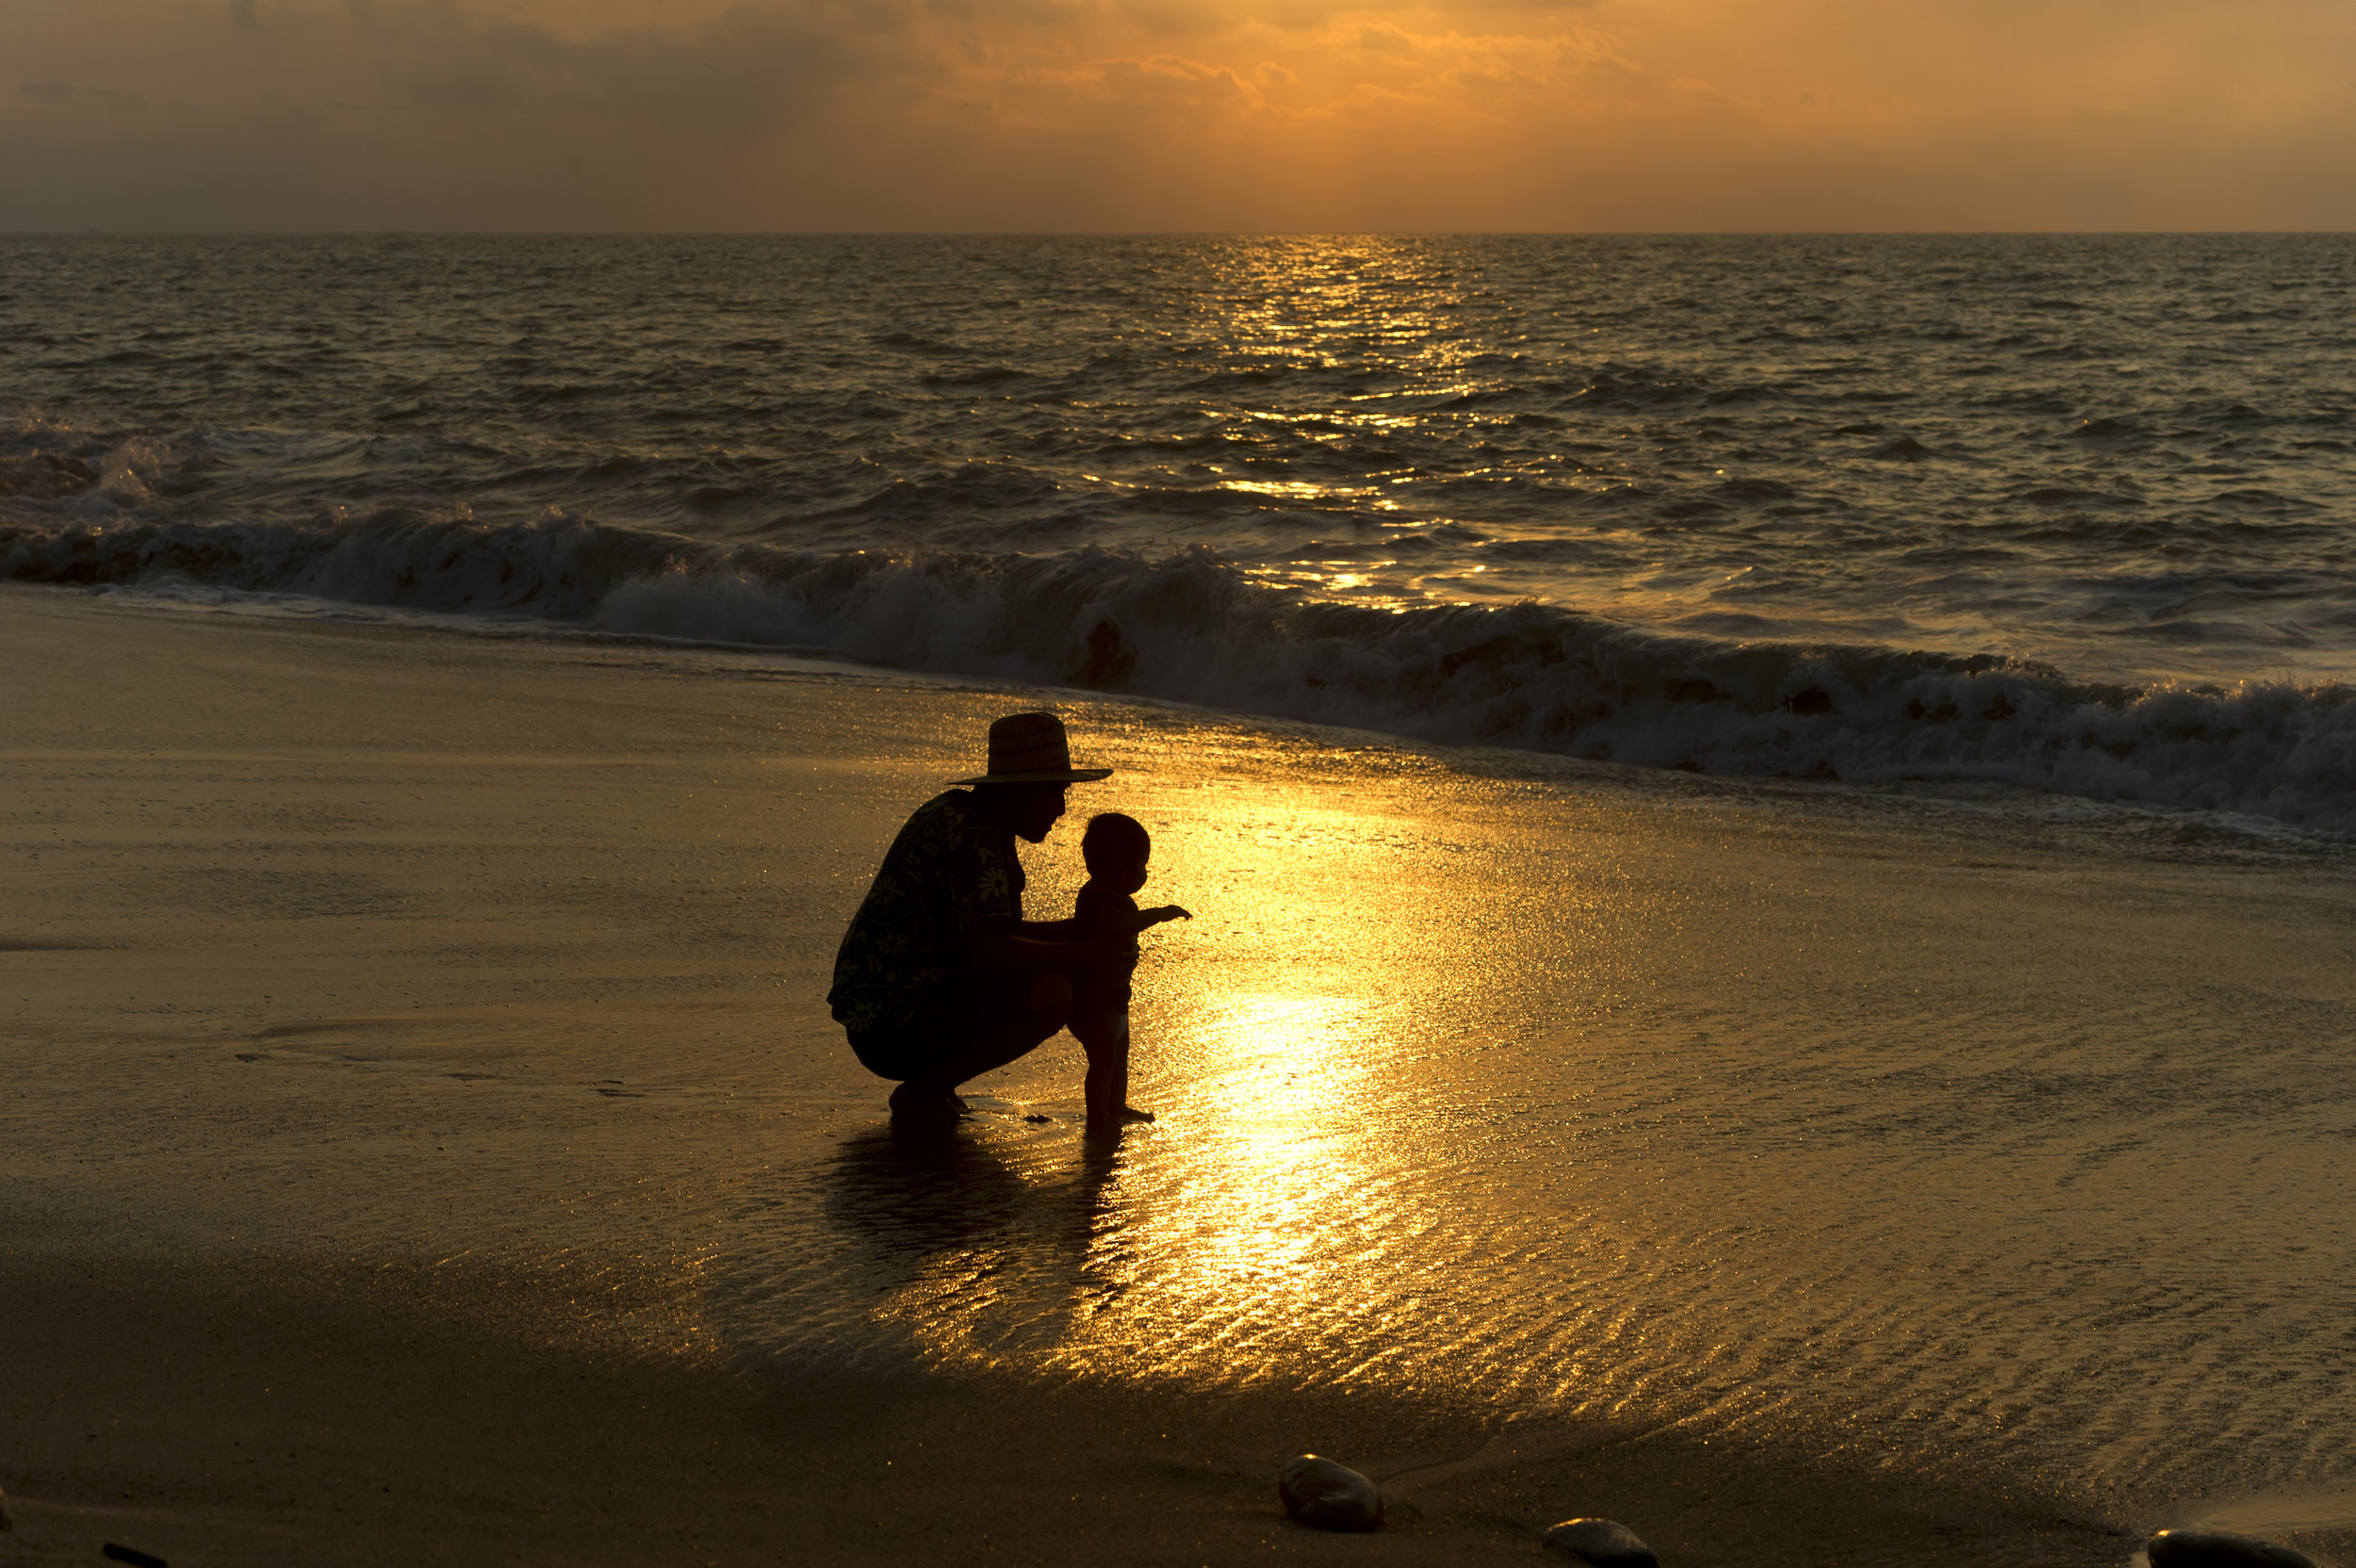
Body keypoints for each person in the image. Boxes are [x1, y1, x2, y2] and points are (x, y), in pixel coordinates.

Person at [827, 710, 1135, 1126]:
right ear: (1020, 793)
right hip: (892, 1025)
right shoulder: (975, 838)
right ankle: (924, 1089)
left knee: (1056, 966)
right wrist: (1081, 954)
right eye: (1054, 793)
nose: (1062, 809)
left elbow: (988, 933)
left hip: (884, 1008)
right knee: (1054, 994)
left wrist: (1082, 935)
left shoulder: (962, 815)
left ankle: (935, 1083)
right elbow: (989, 951)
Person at [1069, 812, 1190, 1130]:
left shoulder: (1111, 896)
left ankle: (1116, 1104)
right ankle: (1098, 1114)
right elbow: (1122, 926)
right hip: (1094, 998)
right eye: (1142, 866)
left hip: (1113, 996)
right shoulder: (1099, 900)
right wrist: (1160, 914)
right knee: (1104, 1058)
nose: (1145, 874)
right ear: (1122, 870)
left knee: (1119, 1053)